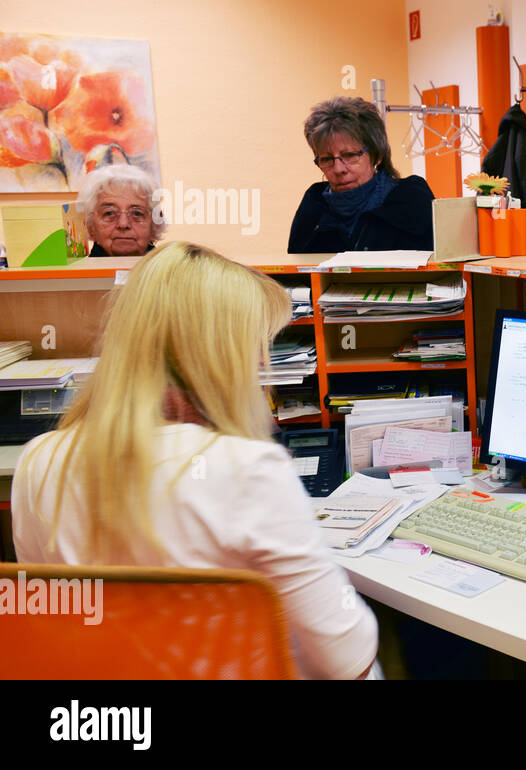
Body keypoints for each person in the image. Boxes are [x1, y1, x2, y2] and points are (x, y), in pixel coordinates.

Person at [11, 242, 378, 680]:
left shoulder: (40, 462)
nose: (260, 362)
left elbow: (57, 620)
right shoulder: (248, 470)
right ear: (218, 357)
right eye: (255, 347)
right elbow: (346, 660)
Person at [288, 97, 433, 253]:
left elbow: (441, 271)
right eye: (327, 159)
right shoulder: (313, 206)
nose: (338, 169)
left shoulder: (412, 199)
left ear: (377, 155)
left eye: (350, 155)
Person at [77, 164, 162, 257]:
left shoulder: (174, 271)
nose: (123, 224)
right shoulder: (72, 271)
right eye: (109, 213)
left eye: (137, 213)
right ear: (90, 227)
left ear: (154, 226)